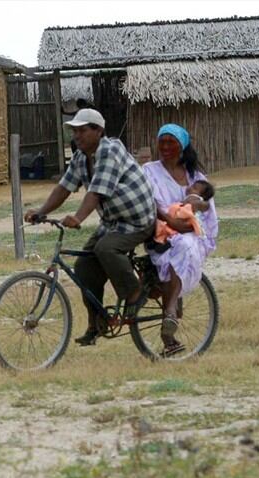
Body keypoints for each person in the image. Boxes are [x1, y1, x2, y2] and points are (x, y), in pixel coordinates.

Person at [25, 108, 157, 346]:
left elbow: (96, 192)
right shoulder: (80, 158)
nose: (77, 136)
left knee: (106, 249)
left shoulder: (110, 150)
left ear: (99, 131)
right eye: (74, 131)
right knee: (84, 267)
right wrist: (41, 211)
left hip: (138, 220)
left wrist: (78, 218)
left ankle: (135, 294)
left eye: (82, 130)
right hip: (113, 222)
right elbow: (64, 188)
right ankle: (97, 323)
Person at [143, 124, 219, 356]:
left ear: (182, 146)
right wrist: (171, 221)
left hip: (189, 233)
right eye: (162, 142)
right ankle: (171, 309)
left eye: (171, 142)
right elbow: (149, 202)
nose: (165, 147)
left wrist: (194, 212)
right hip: (161, 229)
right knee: (179, 246)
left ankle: (170, 310)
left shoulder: (196, 178)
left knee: (185, 245)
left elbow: (208, 211)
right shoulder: (149, 170)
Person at [153, 179, 215, 244]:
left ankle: (163, 238)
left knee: (167, 226)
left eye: (194, 188)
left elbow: (199, 205)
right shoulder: (191, 196)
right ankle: (163, 238)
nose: (190, 188)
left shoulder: (195, 198)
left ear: (202, 195)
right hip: (180, 217)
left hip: (185, 217)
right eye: (192, 186)